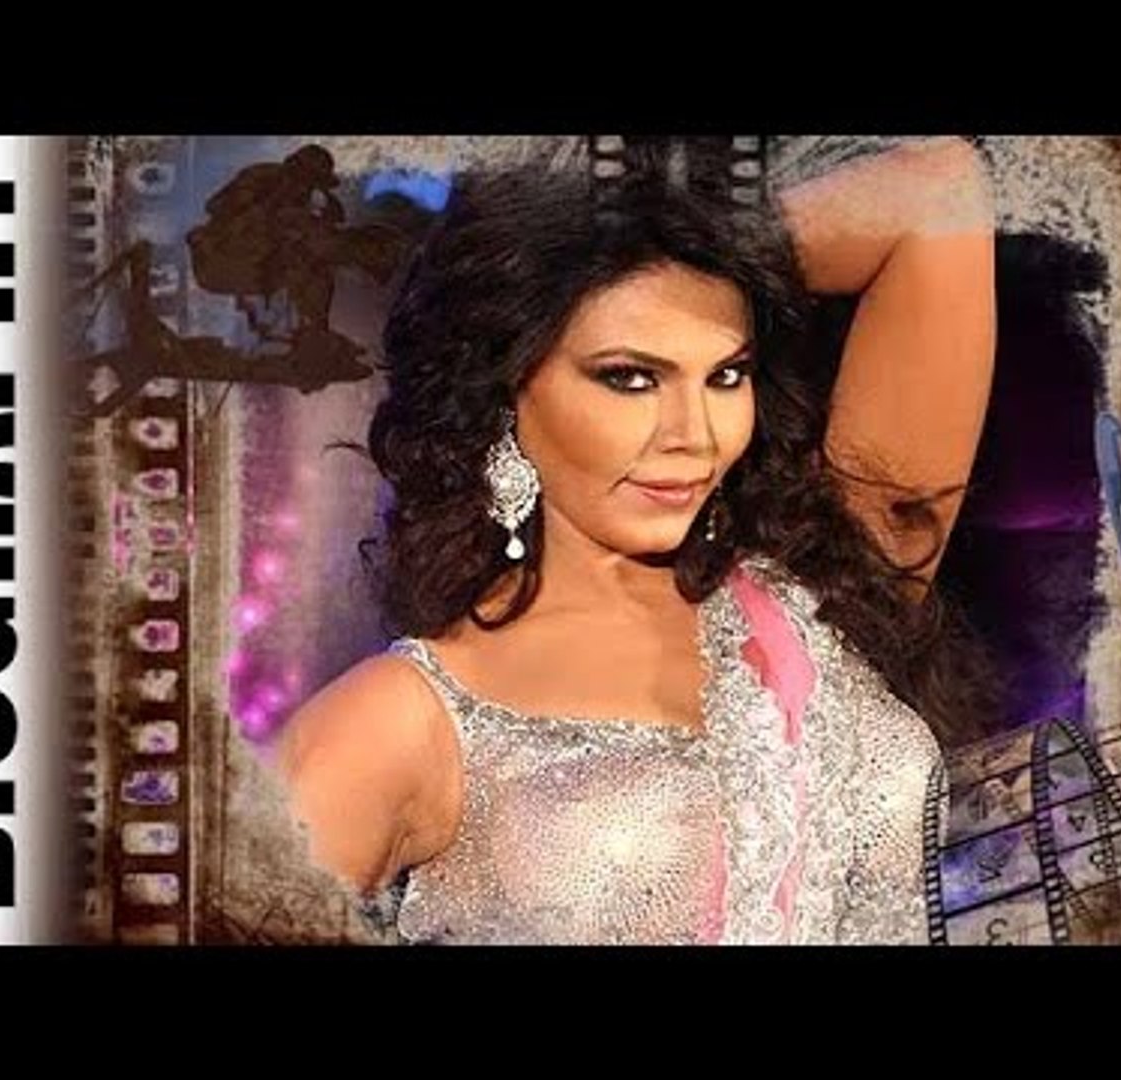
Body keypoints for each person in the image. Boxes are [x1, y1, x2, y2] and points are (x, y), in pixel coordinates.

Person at [275, 136, 999, 944]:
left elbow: (940, 190)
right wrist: (573, 244)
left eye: (725, 375)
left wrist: (690, 235)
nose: (695, 435)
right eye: (630, 378)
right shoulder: (398, 722)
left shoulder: (821, 588)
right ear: (501, 385)